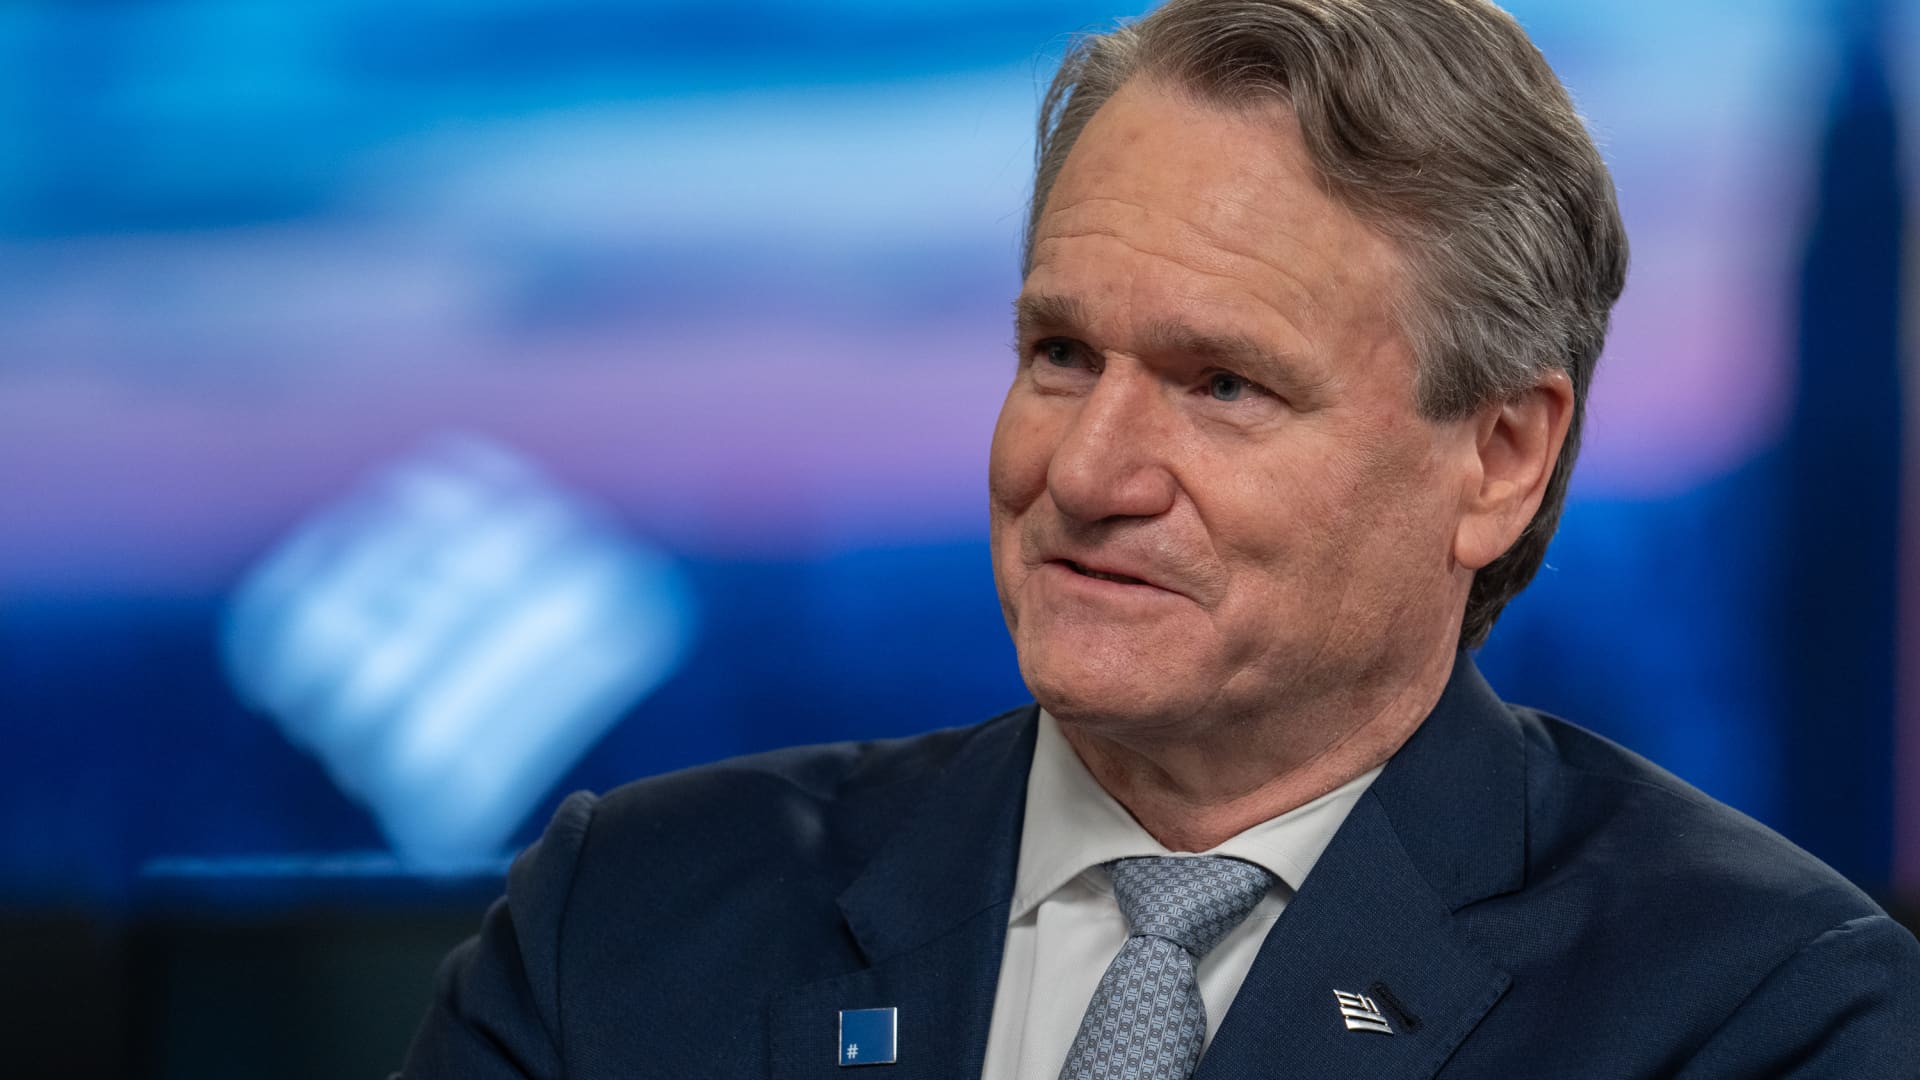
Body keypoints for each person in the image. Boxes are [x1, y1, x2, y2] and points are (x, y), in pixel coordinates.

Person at [399, 1, 1920, 1076]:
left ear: (1498, 458)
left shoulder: (1761, 1014)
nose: (1086, 470)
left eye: (1222, 384)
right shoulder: (623, 917)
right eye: (1061, 354)